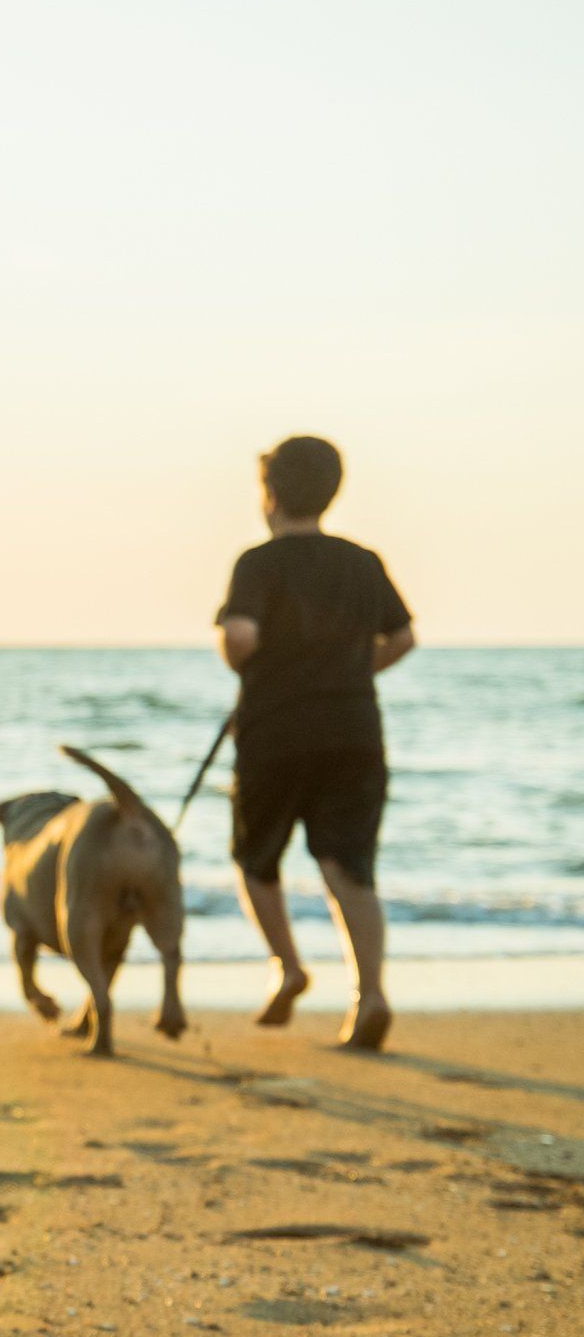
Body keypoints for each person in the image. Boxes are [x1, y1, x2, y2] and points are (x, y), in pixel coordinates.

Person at [216, 436, 416, 1050]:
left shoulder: (260, 562)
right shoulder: (362, 561)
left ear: (270, 495)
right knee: (348, 868)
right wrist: (349, 674)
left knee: (256, 860)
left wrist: (256, 660)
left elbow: (241, 639)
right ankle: (371, 995)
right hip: (354, 731)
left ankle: (290, 967)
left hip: (275, 733)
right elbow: (403, 637)